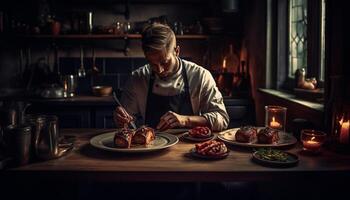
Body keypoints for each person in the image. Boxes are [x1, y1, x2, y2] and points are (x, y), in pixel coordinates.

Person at [114, 23, 229, 131]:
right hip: (151, 147)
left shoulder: (200, 76)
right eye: (152, 64)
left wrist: (186, 120)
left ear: (177, 51)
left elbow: (222, 118)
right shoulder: (137, 79)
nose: (159, 70)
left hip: (190, 148)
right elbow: (127, 125)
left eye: (164, 62)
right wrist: (121, 120)